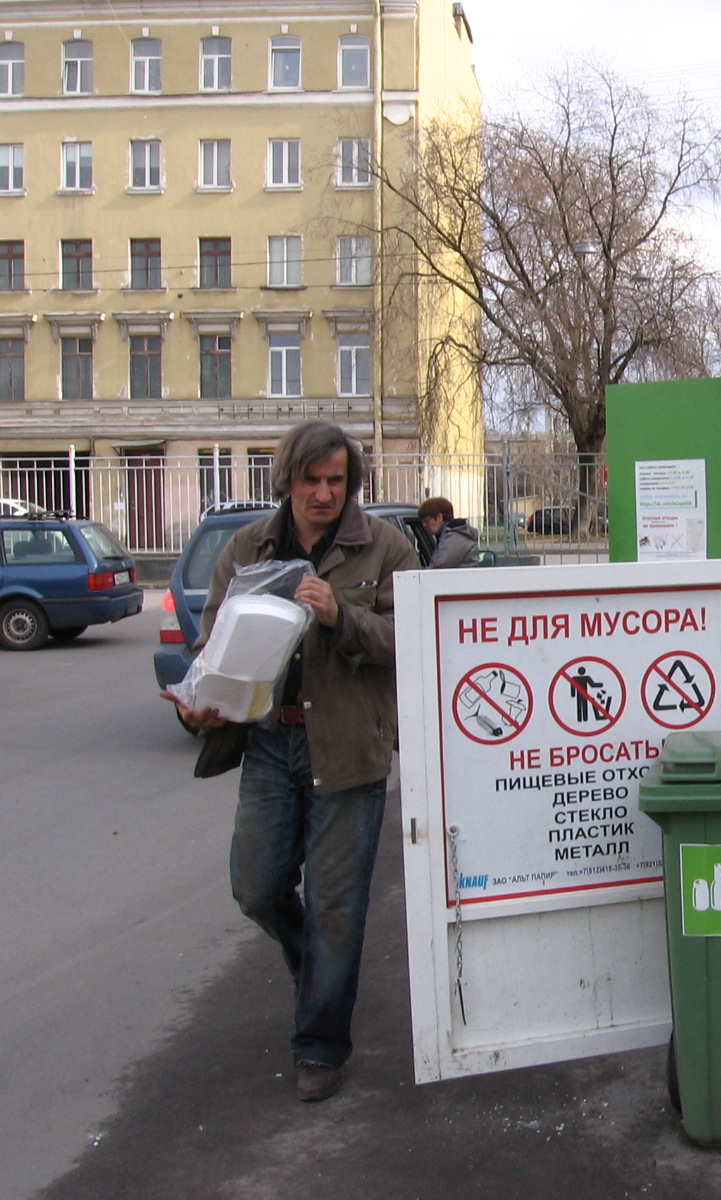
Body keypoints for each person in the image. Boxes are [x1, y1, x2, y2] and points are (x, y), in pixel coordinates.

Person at [162, 421, 416, 1102]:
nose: (324, 493)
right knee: (258, 886)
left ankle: (320, 1046)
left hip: (350, 746)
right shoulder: (250, 547)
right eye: (312, 480)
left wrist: (340, 616)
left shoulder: (386, 548)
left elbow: (414, 639)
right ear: (289, 480)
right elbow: (213, 641)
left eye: (337, 480)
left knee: (337, 907)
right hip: (272, 742)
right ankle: (318, 979)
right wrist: (197, 701)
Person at [417, 496, 479, 569]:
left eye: (426, 520)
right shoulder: (451, 535)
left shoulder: (454, 538)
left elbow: (437, 569)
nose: (424, 525)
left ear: (439, 517)